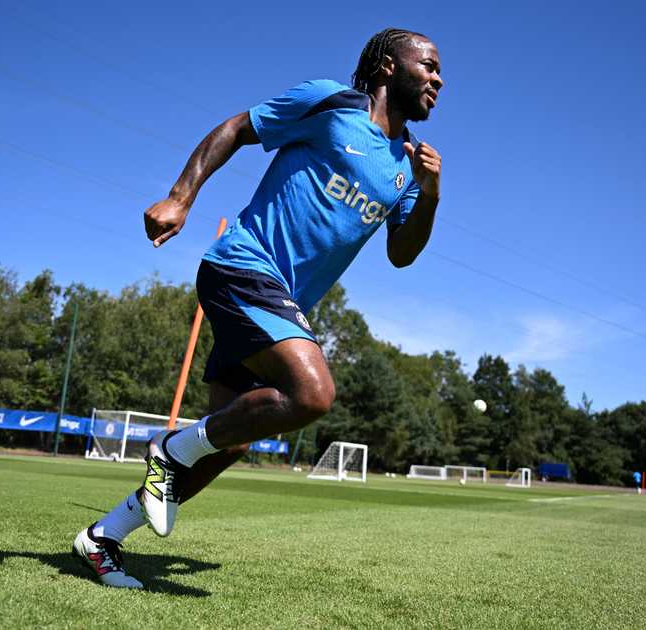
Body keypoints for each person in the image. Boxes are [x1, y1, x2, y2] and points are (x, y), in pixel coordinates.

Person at [71, 28, 444, 588]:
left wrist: (430, 193)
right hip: (243, 267)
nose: (438, 79)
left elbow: (402, 253)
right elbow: (237, 128)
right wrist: (181, 196)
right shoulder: (332, 103)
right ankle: (169, 447)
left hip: (278, 303)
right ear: (390, 66)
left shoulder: (407, 166)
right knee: (313, 394)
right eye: (429, 66)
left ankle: (102, 538)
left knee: (231, 441)